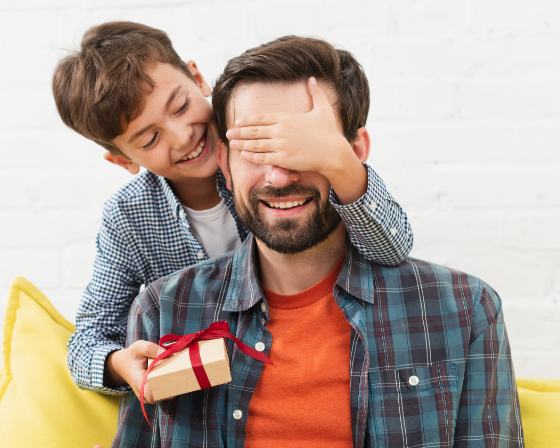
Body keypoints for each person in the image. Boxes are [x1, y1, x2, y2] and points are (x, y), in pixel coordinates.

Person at [12, 37, 529, 448]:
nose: (279, 175)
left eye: (302, 147)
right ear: (226, 168)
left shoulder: (460, 309)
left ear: (355, 151)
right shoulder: (164, 309)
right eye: (254, 148)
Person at [52, 22, 413, 403]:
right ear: (122, 159)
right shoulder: (129, 217)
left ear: (197, 77)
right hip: (221, 399)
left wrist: (339, 159)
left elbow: (392, 248)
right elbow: (88, 338)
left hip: (320, 360)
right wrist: (117, 364)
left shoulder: (276, 164)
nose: (182, 135)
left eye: (180, 106)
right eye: (150, 138)